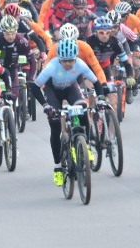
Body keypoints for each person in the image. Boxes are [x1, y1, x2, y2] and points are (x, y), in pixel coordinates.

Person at [30, 39, 106, 186]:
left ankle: (86, 146)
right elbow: (35, 87)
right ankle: (58, 167)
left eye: (71, 60)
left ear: (75, 58)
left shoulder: (80, 64)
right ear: (59, 59)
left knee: (83, 109)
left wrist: (101, 99)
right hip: (53, 92)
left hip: (71, 89)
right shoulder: (52, 66)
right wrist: (46, 105)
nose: (67, 64)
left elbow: (96, 82)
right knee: (55, 126)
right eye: (64, 61)